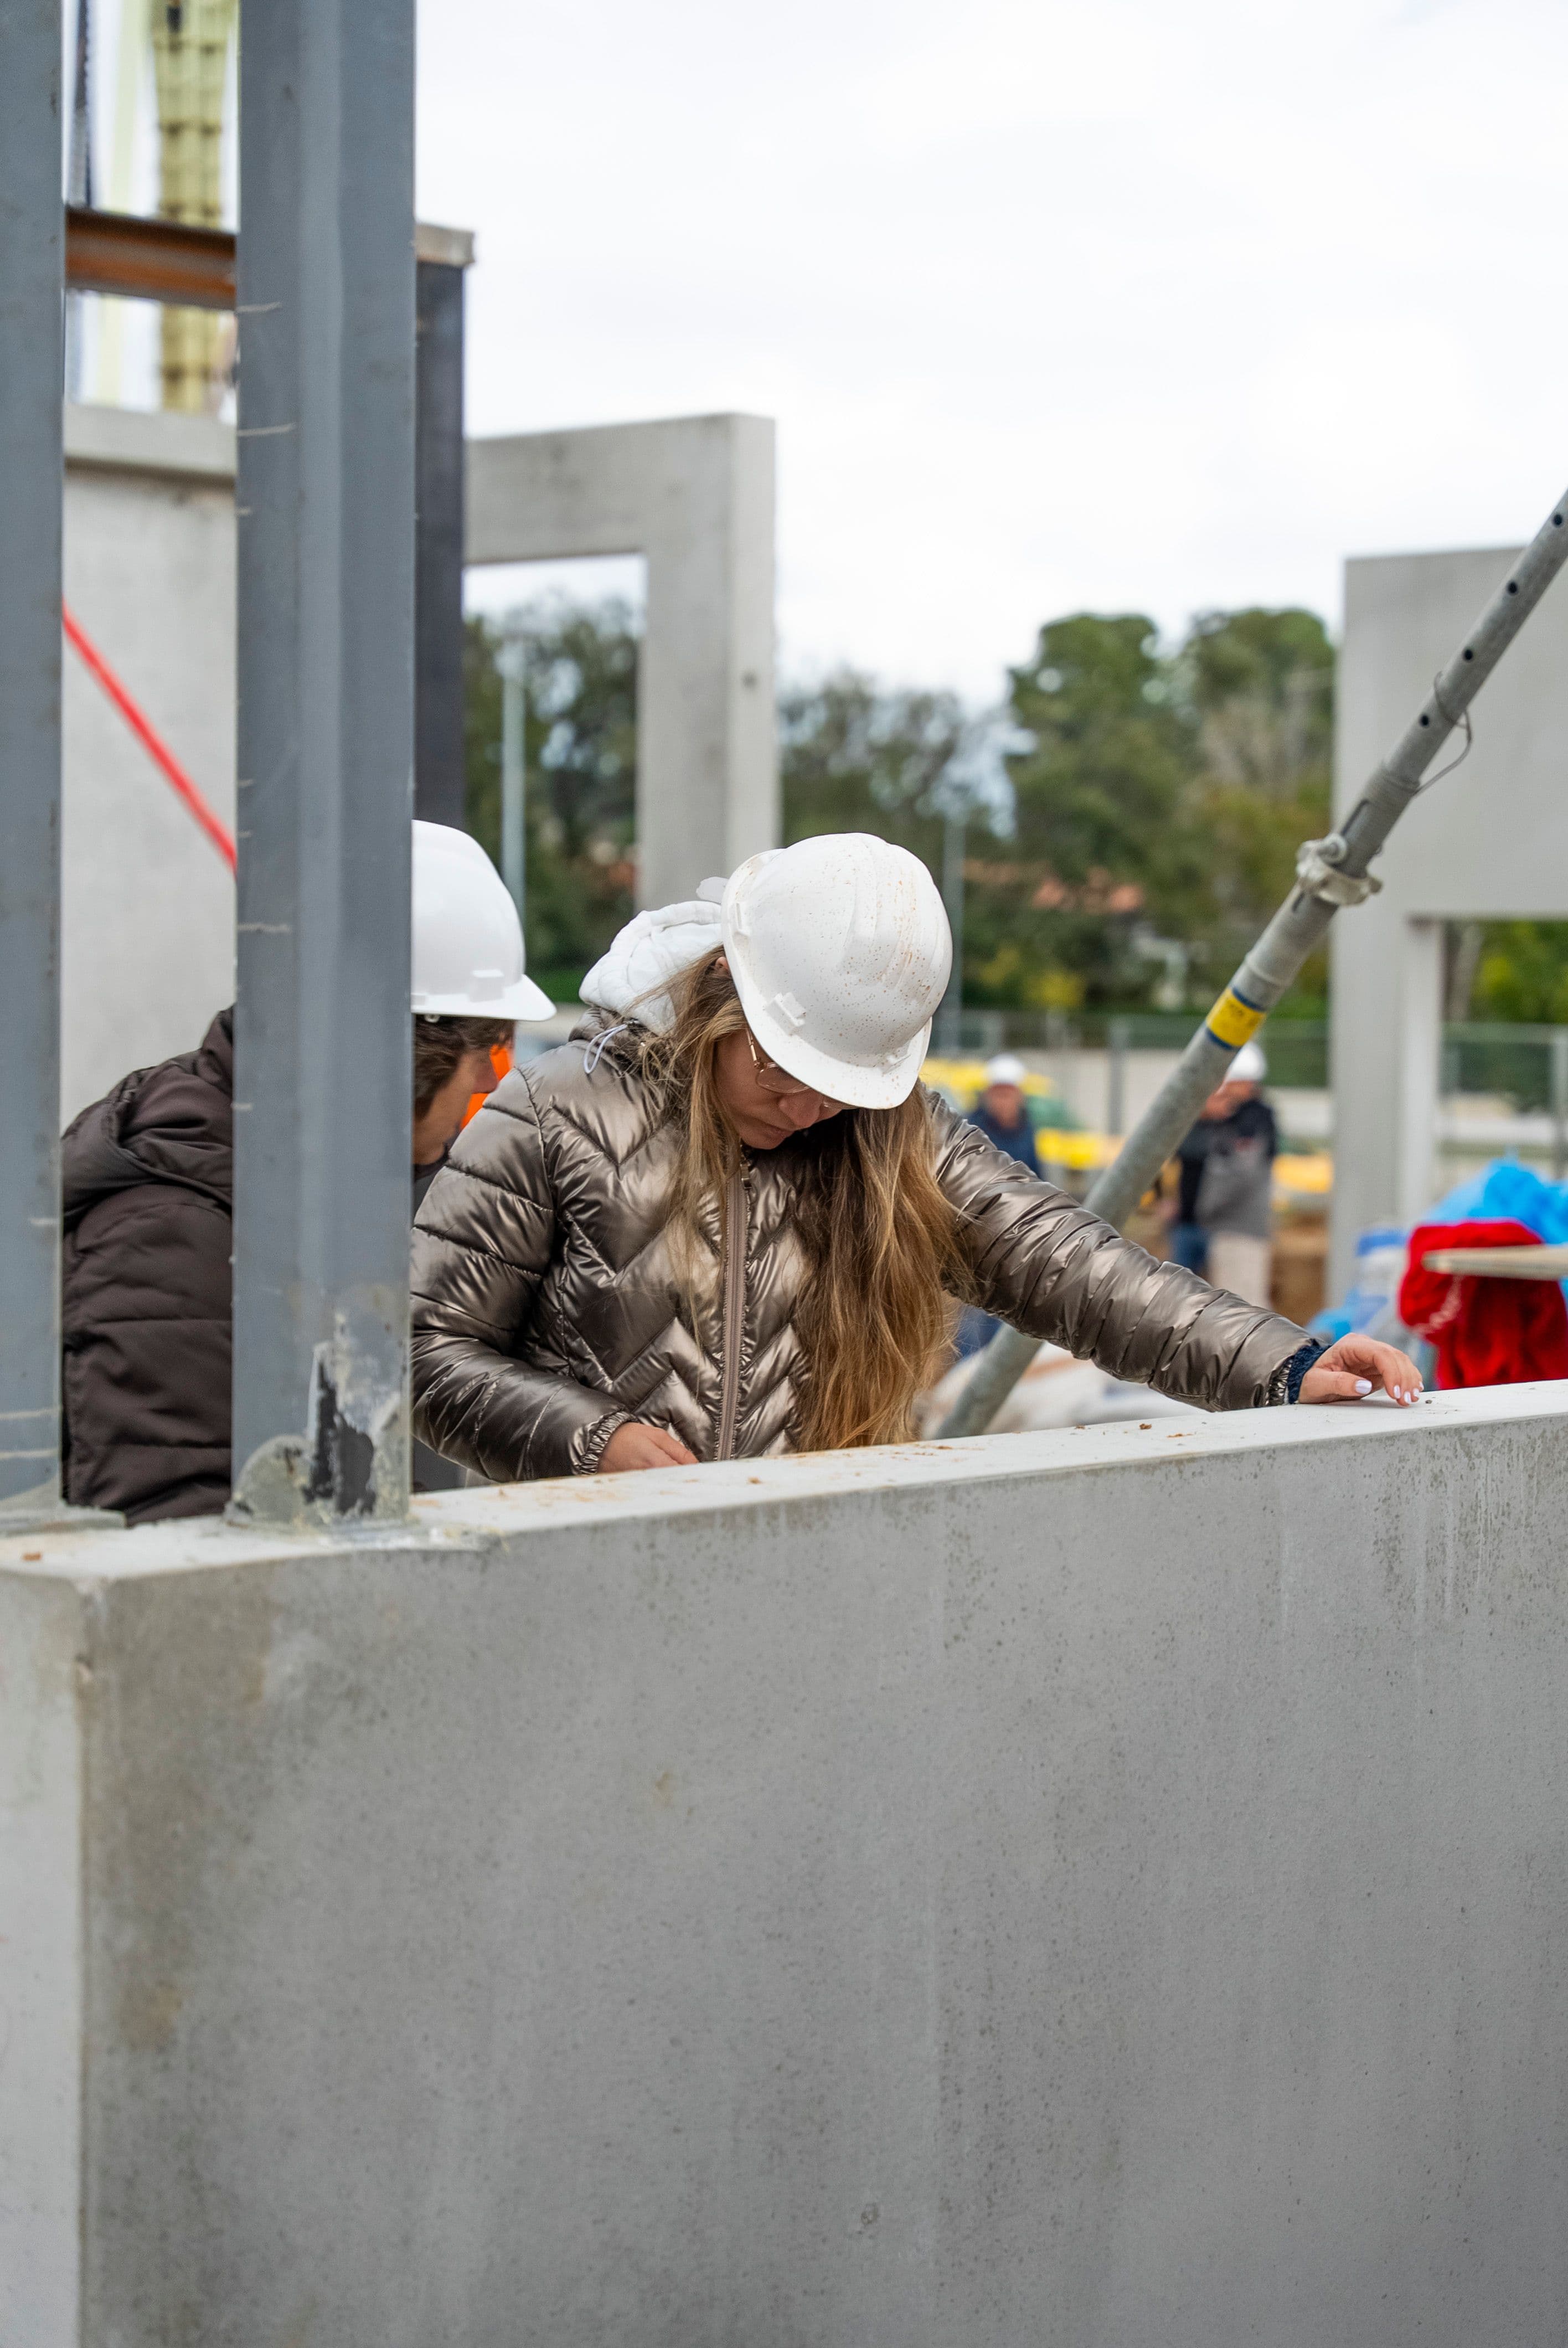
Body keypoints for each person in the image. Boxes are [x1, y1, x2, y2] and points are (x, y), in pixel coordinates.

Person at [410, 833, 1421, 1482]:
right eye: (778, 1070)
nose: (806, 1107)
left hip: (808, 1578)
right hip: (581, 1585)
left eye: (838, 1086)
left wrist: (1283, 1366)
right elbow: (423, 1345)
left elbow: (1077, 1270)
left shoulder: (891, 1136)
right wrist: (588, 1441)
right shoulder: (555, 1113)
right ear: (722, 991)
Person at [60, 822, 553, 1523]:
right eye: (489, 1049)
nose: (488, 1079)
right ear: (399, 1051)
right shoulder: (170, 1235)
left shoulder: (282, 1195)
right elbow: (169, 1550)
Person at [1167, 1041, 1277, 1306]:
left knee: (1241, 1309)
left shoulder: (1252, 1121)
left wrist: (1207, 1209)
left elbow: (1239, 1173)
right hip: (1217, 1226)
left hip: (1235, 1228)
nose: (1223, 1088)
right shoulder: (1227, 1119)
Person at [966, 1054, 1037, 1169]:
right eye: (999, 1095)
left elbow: (1035, 1175)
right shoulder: (971, 1130)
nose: (1003, 1102)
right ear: (988, 1095)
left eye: (1008, 1095)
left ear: (1019, 1097)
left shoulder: (1027, 1130)